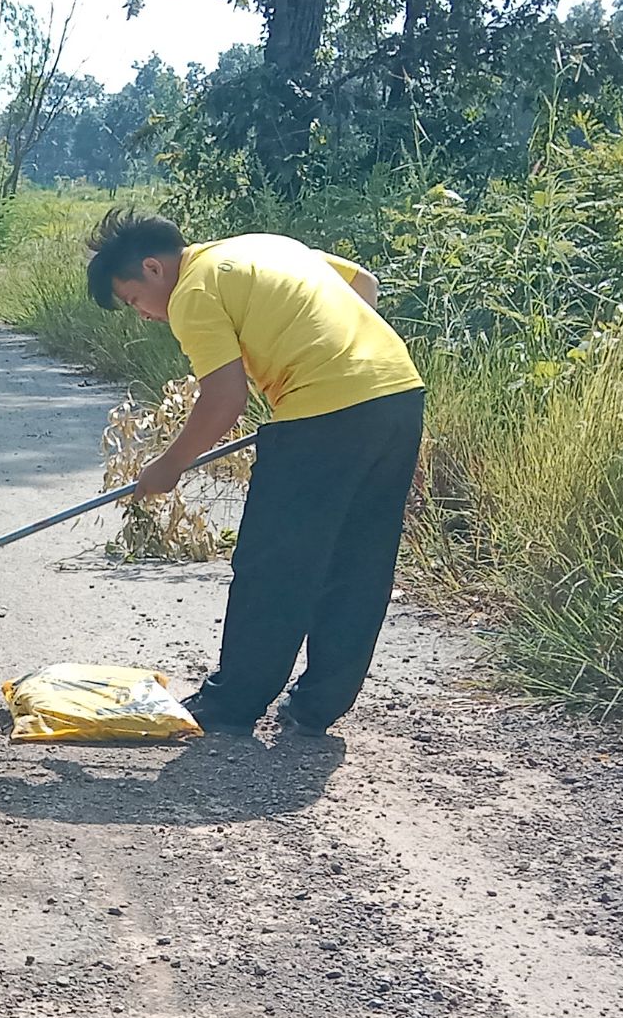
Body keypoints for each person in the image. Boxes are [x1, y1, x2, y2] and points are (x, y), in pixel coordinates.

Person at [87, 208, 426, 737]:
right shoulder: (264, 246)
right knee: (360, 561)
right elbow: (364, 282)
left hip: (323, 412)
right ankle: (317, 707)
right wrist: (343, 362)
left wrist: (169, 465)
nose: (144, 315)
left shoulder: (193, 292)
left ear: (153, 268)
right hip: (398, 394)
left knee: (274, 564)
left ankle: (233, 703)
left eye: (134, 301)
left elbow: (224, 399)